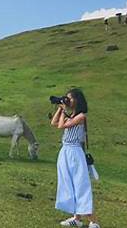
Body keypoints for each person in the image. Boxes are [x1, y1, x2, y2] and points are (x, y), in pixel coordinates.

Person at [51, 89, 100, 228]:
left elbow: (61, 126)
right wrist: (60, 109)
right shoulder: (70, 115)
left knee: (80, 185)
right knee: (68, 184)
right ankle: (76, 218)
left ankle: (94, 221)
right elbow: (54, 123)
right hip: (65, 151)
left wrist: (64, 110)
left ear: (77, 100)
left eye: (69, 98)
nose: (68, 101)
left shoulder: (81, 117)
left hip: (75, 152)